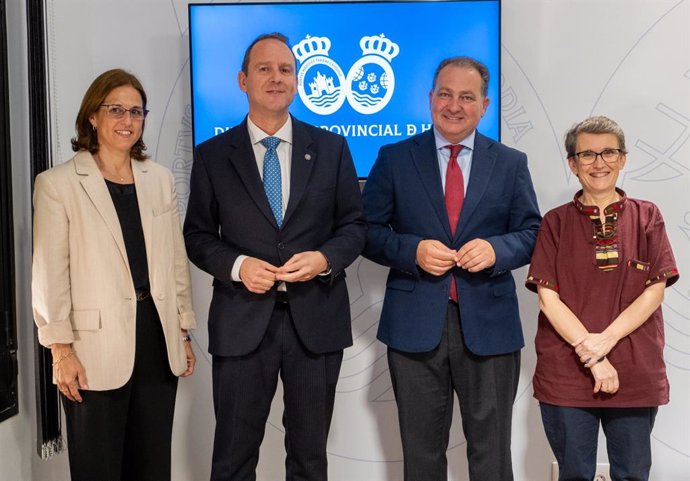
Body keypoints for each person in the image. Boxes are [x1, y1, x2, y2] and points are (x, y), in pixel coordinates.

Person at [183, 33, 366, 481]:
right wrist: (238, 266)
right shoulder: (212, 156)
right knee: (233, 457)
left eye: (286, 70)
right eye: (264, 69)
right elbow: (198, 235)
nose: (276, 77)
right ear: (243, 80)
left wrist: (324, 258)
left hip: (315, 324)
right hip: (242, 324)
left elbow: (355, 227)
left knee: (309, 458)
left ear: (298, 82)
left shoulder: (332, 148)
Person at [361, 56, 541, 481]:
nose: (454, 105)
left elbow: (532, 232)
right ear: (430, 99)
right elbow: (365, 231)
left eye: (466, 96)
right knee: (421, 455)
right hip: (414, 325)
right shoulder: (394, 158)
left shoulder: (512, 162)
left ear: (485, 105)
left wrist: (497, 250)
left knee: (492, 454)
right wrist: (413, 250)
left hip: (491, 326)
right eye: (445, 94)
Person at [31, 69, 196, 481]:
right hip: (90, 352)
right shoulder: (58, 184)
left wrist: (183, 331)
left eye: (136, 112)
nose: (127, 121)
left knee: (152, 465)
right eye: (116, 110)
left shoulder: (158, 180)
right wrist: (60, 351)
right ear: (92, 116)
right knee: (98, 469)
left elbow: (175, 261)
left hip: (156, 340)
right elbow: (50, 275)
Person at [526, 115, 679, 481]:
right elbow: (548, 299)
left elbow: (654, 291)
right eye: (588, 155)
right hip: (567, 373)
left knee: (632, 474)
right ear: (572, 164)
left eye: (609, 152)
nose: (599, 163)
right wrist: (594, 358)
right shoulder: (555, 222)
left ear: (623, 159)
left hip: (634, 372)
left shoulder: (647, 216)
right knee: (574, 473)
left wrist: (604, 343)